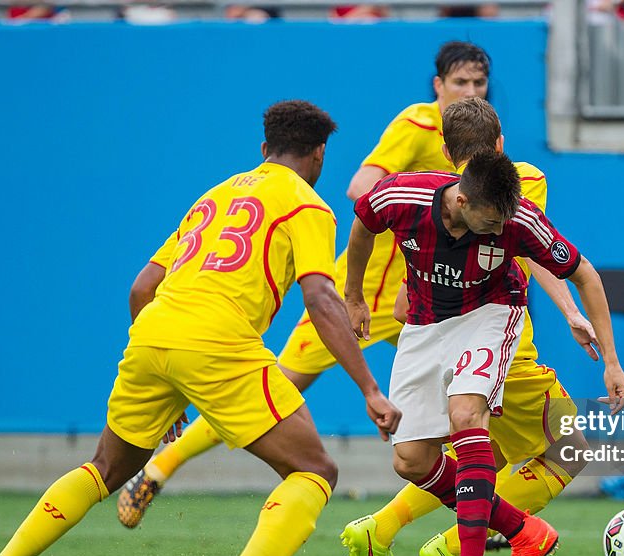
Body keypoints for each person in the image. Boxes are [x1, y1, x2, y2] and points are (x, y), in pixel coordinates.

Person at [0, 100, 401, 556]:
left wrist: (168, 378)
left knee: (105, 468)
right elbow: (321, 300)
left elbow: (142, 287)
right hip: (218, 337)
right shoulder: (308, 206)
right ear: (320, 155)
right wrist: (370, 389)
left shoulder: (212, 198)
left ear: (264, 150)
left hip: (152, 331)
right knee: (314, 468)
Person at [115, 41, 493, 527]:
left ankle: (480, 512)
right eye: (460, 83)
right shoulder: (417, 125)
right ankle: (159, 468)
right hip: (363, 292)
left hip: (422, 294)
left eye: (479, 83)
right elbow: (361, 187)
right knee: (279, 386)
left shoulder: (476, 134)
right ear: (439, 86)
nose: (470, 91)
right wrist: (419, 208)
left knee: (471, 397)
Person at [346, 147, 624, 556]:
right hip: (424, 326)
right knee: (411, 460)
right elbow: (362, 224)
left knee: (468, 416)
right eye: (491, 221)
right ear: (461, 201)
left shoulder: (518, 220)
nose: (501, 230)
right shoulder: (401, 196)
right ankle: (523, 530)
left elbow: (586, 275)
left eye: (505, 220)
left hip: (491, 316)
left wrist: (612, 361)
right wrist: (354, 295)